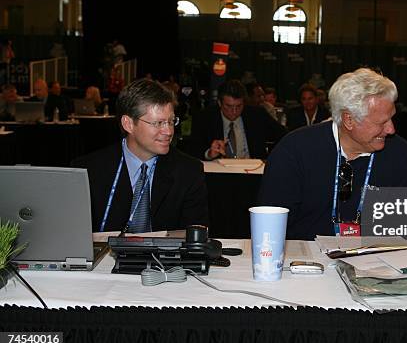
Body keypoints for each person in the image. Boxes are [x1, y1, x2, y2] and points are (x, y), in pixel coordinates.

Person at [258, 68, 407, 240]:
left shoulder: (399, 153)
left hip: (373, 259)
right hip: (304, 258)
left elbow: (400, 228)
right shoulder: (294, 151)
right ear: (349, 120)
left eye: (391, 117)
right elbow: (270, 225)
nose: (391, 129)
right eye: (382, 122)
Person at [71, 79, 208, 232]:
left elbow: (195, 239)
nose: (168, 131)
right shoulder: (89, 171)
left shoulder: (189, 172)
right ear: (128, 124)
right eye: (158, 123)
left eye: (170, 122)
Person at [191, 79, 286, 160]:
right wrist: (209, 153)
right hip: (218, 173)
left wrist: (272, 158)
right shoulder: (205, 118)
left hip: (252, 172)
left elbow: (283, 135)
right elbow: (193, 149)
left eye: (239, 106)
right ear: (219, 103)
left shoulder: (257, 115)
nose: (234, 111)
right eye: (229, 106)